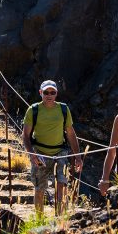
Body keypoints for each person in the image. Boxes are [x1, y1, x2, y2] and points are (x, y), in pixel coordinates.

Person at [22, 80, 83, 215]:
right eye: (46, 92)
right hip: (40, 152)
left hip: (60, 152)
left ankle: (59, 219)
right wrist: (32, 154)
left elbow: (71, 133)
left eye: (52, 92)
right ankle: (39, 220)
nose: (49, 95)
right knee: (39, 188)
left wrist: (78, 156)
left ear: (56, 93)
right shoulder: (33, 110)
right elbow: (25, 135)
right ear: (40, 93)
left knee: (61, 185)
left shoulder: (63, 109)